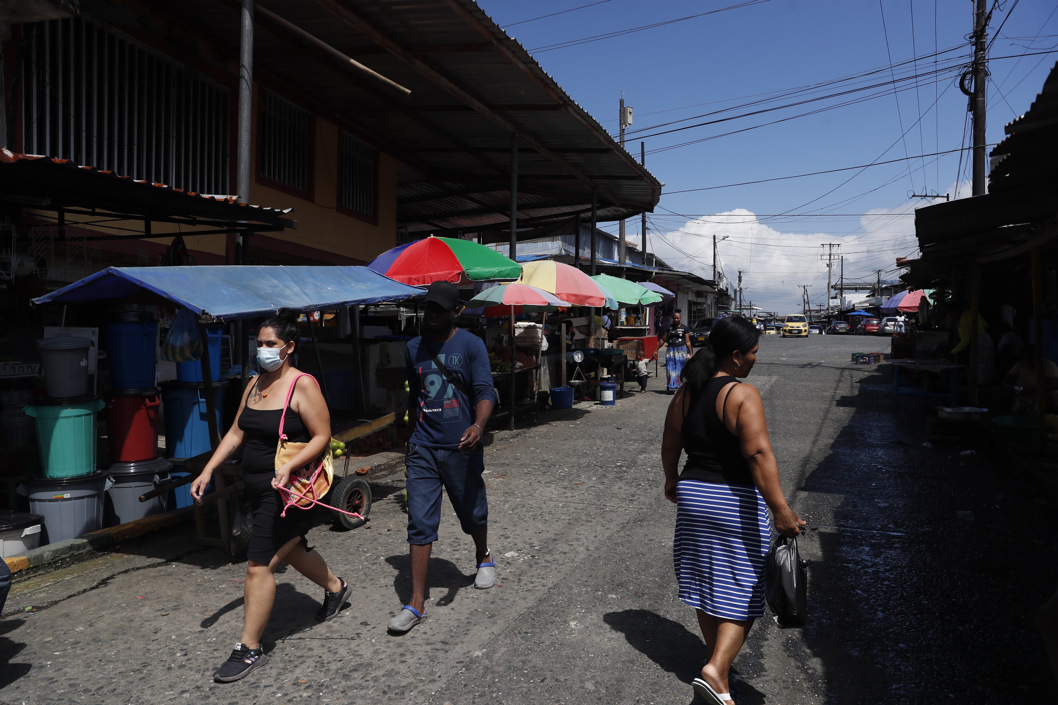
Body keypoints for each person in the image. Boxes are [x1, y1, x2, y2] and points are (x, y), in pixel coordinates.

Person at [191, 310, 348, 683]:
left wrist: (289, 467)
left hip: (288, 492)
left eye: (270, 344)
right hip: (255, 488)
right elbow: (234, 434)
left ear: (289, 347)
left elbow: (322, 436)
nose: (262, 350)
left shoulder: (302, 385)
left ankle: (249, 648)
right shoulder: (253, 384)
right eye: (259, 344)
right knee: (290, 548)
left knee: (259, 564)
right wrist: (208, 469)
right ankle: (336, 588)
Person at [660, 316, 805, 705]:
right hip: (732, 499)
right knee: (745, 589)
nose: (757, 359)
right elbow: (757, 454)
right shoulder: (743, 395)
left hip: (693, 497)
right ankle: (716, 669)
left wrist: (671, 479)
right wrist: (781, 510)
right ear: (736, 357)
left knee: (708, 582)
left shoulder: (686, 392)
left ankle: (717, 670)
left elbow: (670, 440)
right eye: (754, 352)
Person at [389, 281, 498, 634]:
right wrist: (410, 434)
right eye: (428, 308)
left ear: (456, 312)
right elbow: (414, 394)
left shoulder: (471, 345)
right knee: (420, 522)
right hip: (423, 447)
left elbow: (484, 392)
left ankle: (483, 555)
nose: (431, 315)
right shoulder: (413, 348)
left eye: (438, 309)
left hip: (461, 447)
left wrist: (478, 427)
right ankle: (416, 603)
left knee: (472, 511)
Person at [1000, 349, 1058, 414]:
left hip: (1039, 394)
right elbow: (1007, 380)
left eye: (1033, 357)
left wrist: (1033, 389)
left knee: (1051, 394)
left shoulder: (1049, 365)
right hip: (1020, 394)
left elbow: (1054, 384)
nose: (1031, 360)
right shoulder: (1020, 365)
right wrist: (1011, 388)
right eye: (1028, 357)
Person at [663, 309, 692, 393]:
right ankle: (671, 387)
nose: (676, 320)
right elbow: (663, 339)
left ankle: (678, 387)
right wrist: (656, 350)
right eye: (674, 318)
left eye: (677, 318)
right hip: (671, 350)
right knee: (670, 368)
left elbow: (688, 341)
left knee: (679, 368)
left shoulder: (685, 328)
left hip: (681, 350)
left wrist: (690, 352)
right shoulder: (669, 328)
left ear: (680, 318)